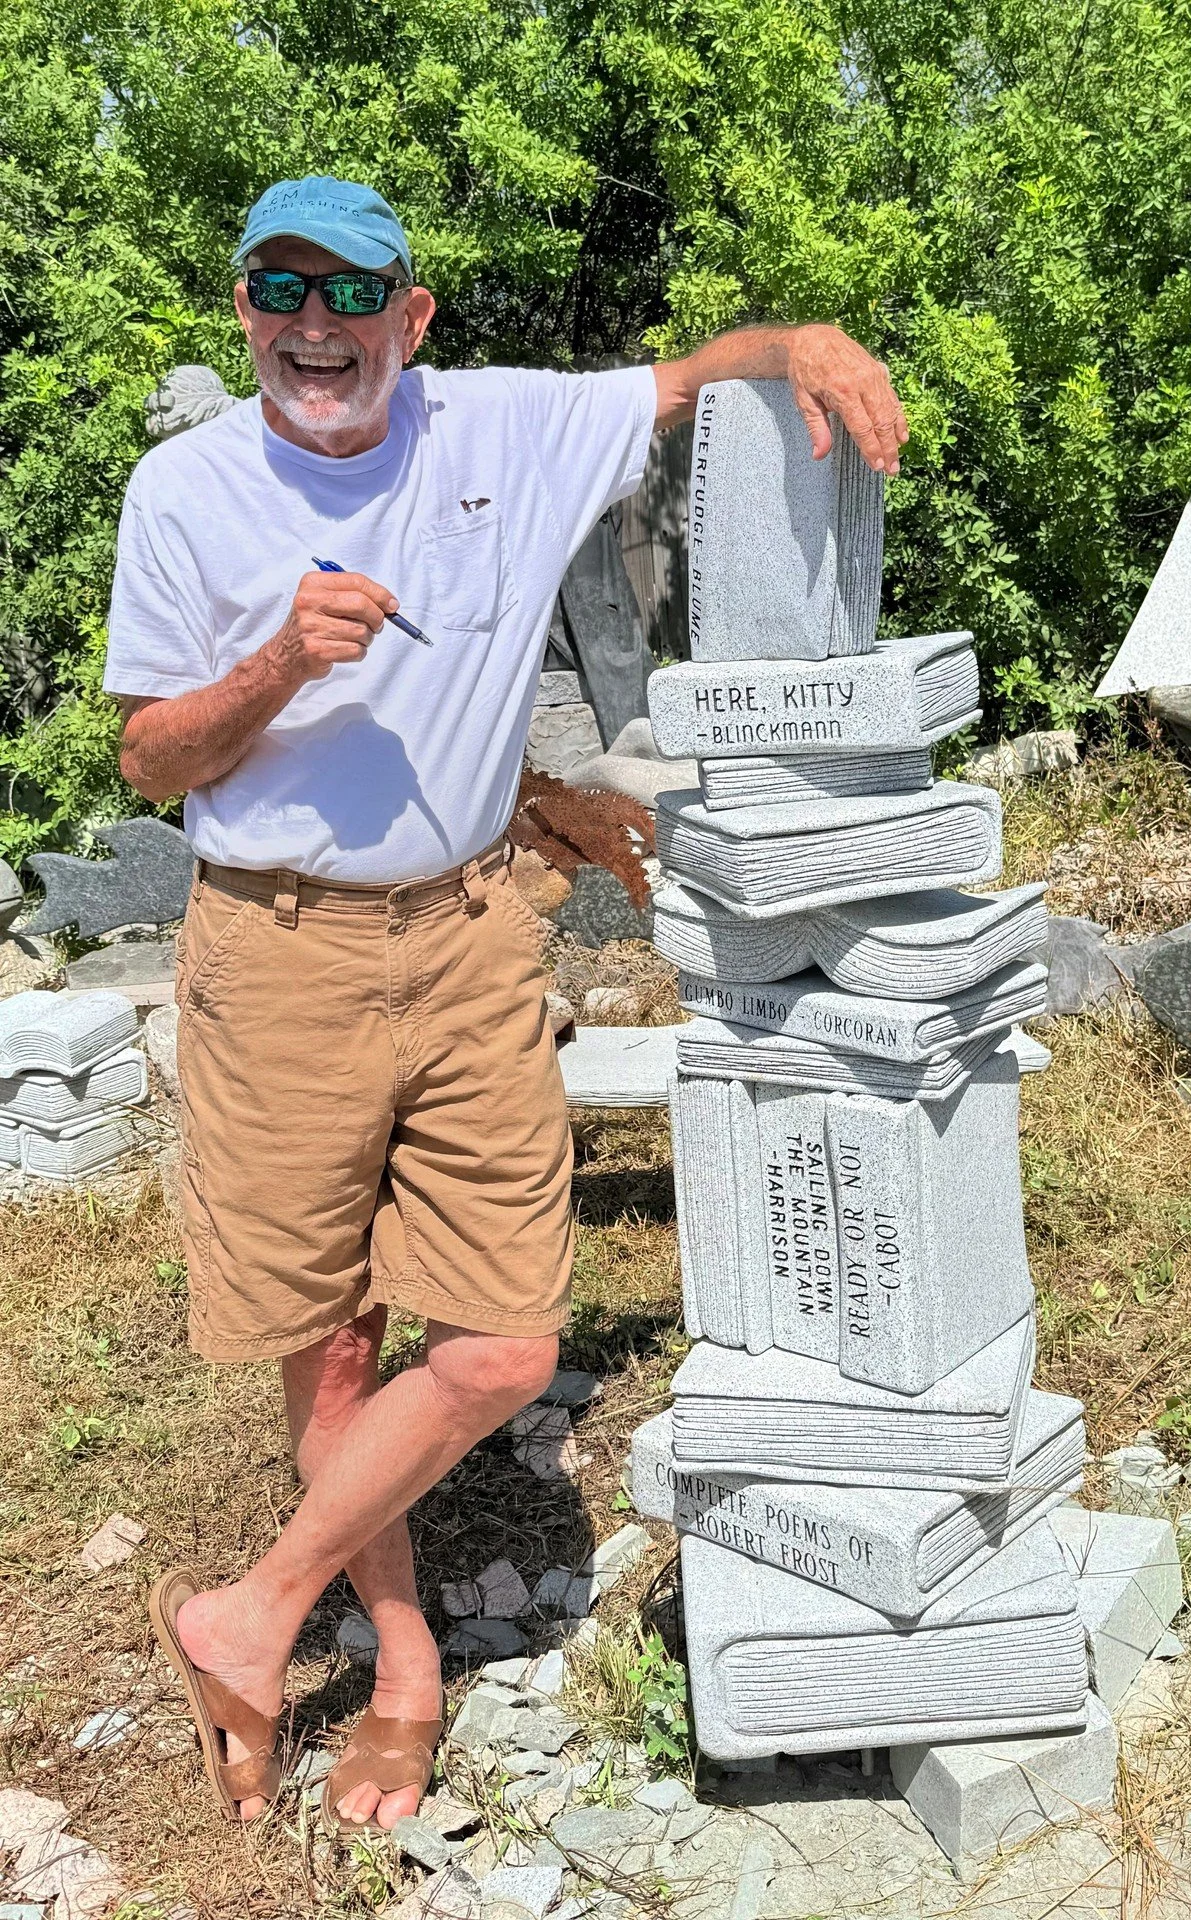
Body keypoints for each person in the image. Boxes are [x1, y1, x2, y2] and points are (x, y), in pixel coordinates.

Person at [106, 175, 908, 1832]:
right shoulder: (183, 494)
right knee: (333, 1342)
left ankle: (247, 1615)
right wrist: (274, 669)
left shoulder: (508, 430)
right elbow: (149, 758)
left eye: (352, 295)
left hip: (472, 935)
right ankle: (403, 1671)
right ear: (244, 309)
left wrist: (803, 343)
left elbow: (696, 375)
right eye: (280, 291)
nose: (312, 326)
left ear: (413, 319)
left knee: (508, 1340)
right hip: (276, 949)